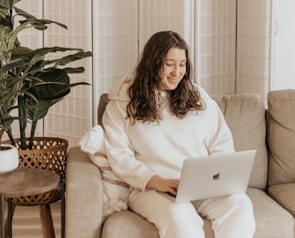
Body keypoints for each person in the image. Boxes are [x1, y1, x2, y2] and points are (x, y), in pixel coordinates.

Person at [102, 30, 256, 238]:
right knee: (180, 219)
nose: (177, 71)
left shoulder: (197, 96)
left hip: (201, 186)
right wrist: (155, 181)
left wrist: (219, 176)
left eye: (182, 64)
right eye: (169, 64)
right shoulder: (123, 103)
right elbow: (119, 155)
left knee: (240, 205)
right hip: (153, 189)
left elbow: (221, 140)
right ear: (153, 63)